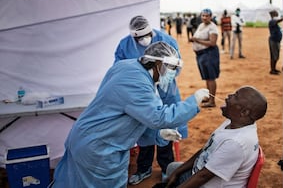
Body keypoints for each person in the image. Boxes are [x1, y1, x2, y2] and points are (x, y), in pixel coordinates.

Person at [51, 41, 210, 188]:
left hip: (91, 138)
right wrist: (193, 101)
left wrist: (157, 134)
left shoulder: (129, 67)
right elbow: (159, 117)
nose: (173, 73)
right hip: (99, 147)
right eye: (171, 67)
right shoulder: (135, 81)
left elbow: (134, 113)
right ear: (156, 62)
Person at [114, 15, 187, 185]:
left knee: (165, 131)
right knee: (143, 132)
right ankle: (144, 168)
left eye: (146, 36)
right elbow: (119, 68)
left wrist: (162, 79)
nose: (143, 40)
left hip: (166, 92)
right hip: (142, 95)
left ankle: (166, 168)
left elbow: (175, 66)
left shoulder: (166, 40)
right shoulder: (124, 45)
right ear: (133, 36)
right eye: (138, 38)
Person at [157, 86, 267, 188]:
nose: (229, 95)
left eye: (235, 96)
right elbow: (206, 150)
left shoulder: (236, 143)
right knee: (172, 168)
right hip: (201, 173)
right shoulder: (234, 123)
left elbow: (203, 176)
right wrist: (177, 172)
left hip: (207, 183)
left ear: (244, 112)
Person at [189, 8, 220, 108]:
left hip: (209, 54)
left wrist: (196, 40)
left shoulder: (212, 27)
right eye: (203, 15)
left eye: (207, 16)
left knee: (211, 77)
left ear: (211, 17)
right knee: (207, 77)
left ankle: (212, 101)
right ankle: (209, 97)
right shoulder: (201, 25)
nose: (205, 17)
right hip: (201, 55)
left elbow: (212, 42)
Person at [268, 10, 283, 75]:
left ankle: (274, 69)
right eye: (276, 13)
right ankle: (272, 70)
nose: (277, 14)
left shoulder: (274, 22)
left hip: (276, 40)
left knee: (275, 56)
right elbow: (277, 21)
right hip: (274, 41)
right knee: (274, 56)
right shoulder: (272, 21)